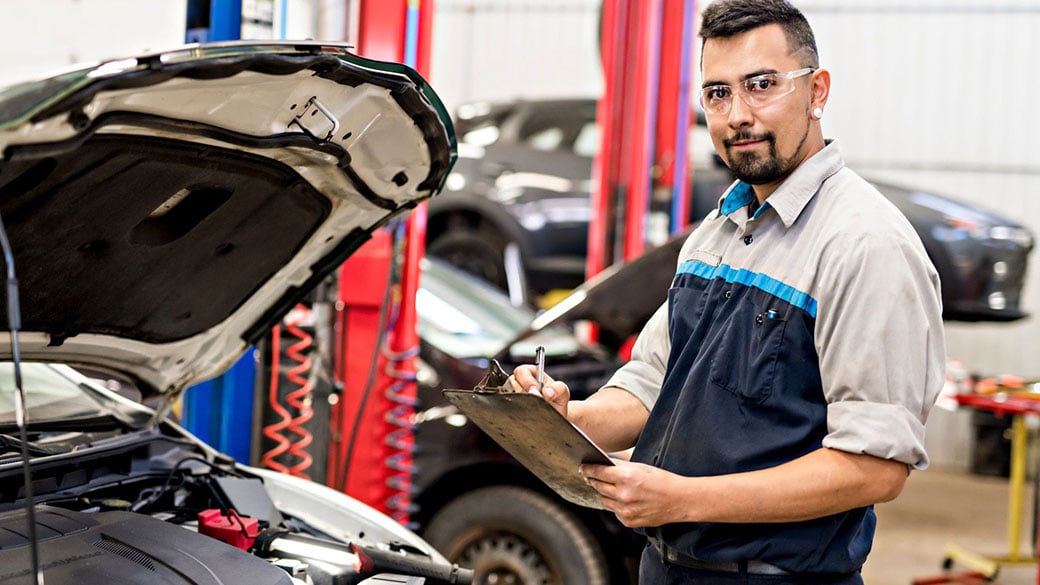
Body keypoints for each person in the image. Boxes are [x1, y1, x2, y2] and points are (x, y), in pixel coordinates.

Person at [509, 0, 946, 583]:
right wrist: (569, 418)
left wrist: (683, 499)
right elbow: (652, 384)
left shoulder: (865, 246)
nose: (737, 114)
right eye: (717, 93)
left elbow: (873, 468)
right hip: (665, 566)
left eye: (761, 86)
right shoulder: (714, 234)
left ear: (817, 91)